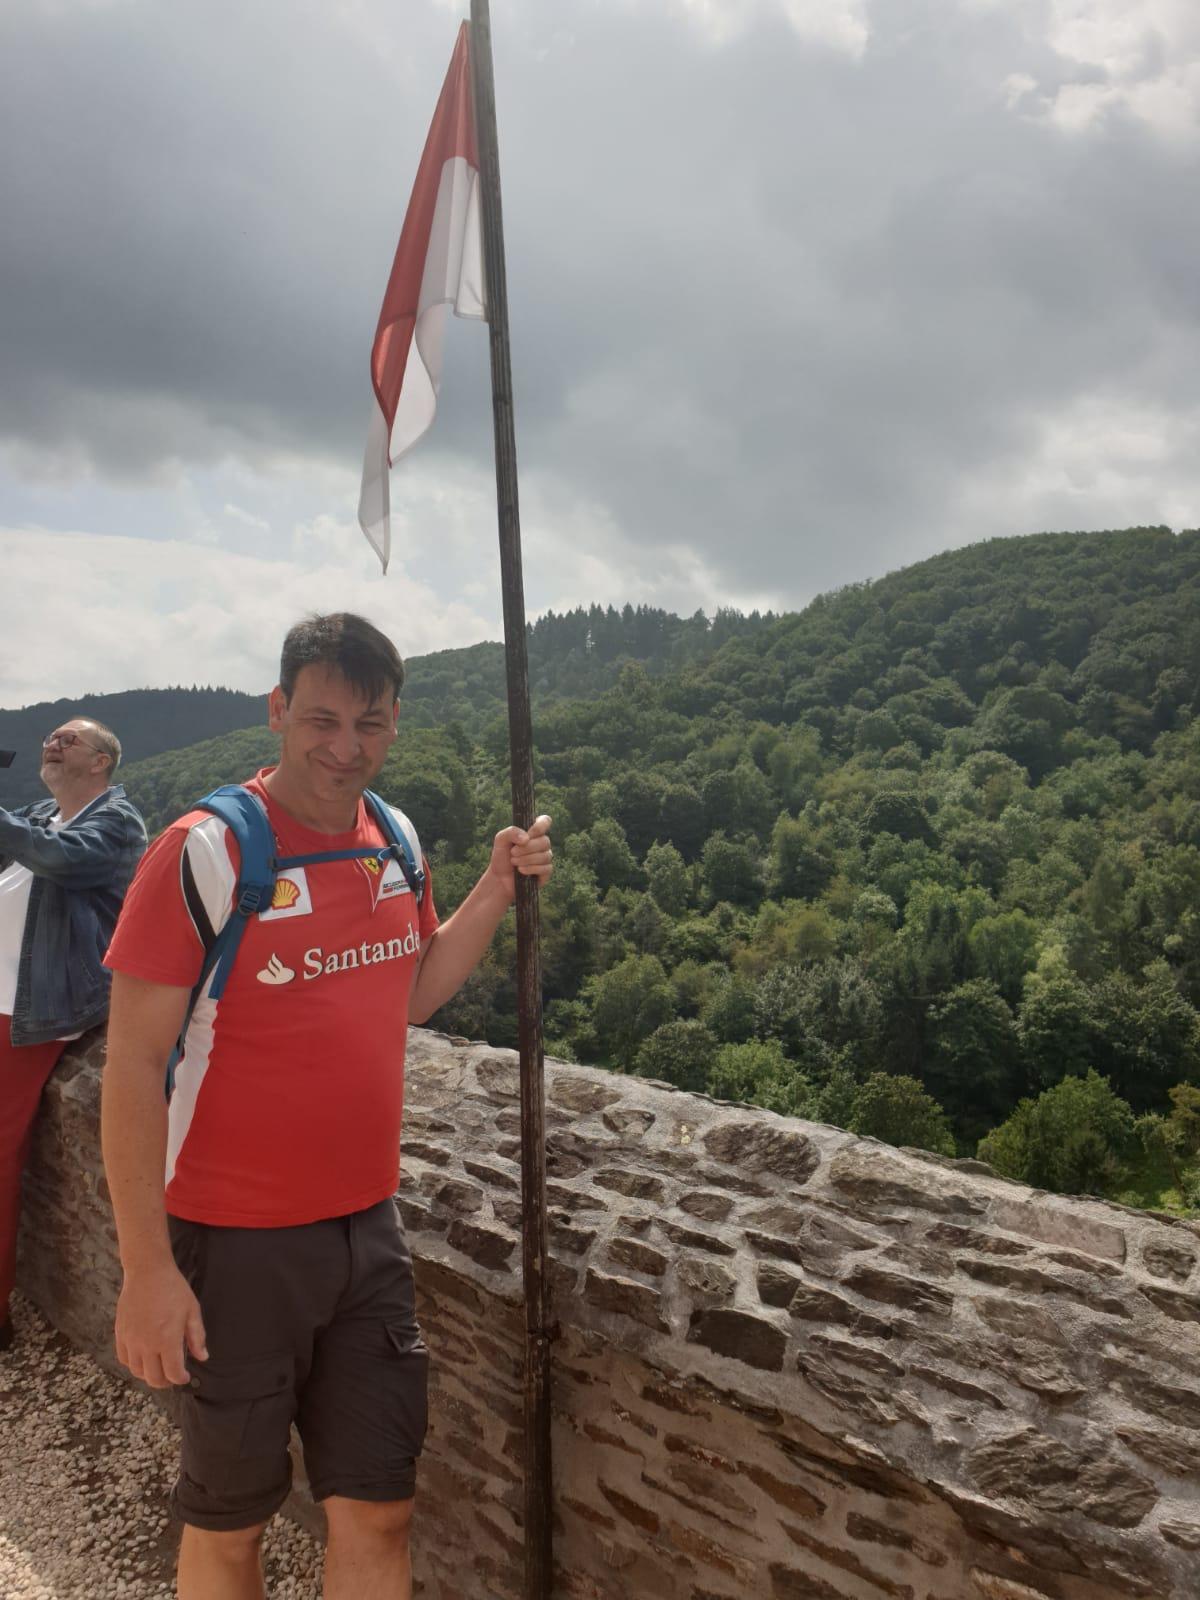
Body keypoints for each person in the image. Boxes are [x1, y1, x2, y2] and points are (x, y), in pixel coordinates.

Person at [101, 613, 552, 1600]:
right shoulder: (204, 854)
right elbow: (130, 1066)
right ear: (278, 710)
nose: (347, 747)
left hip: (367, 1231)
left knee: (381, 1508)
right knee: (230, 1520)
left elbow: (412, 991)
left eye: (370, 723)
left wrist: (493, 887)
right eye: (323, 719)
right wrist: (145, 1269)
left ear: (394, 724)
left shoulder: (395, 839)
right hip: (232, 1240)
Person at [0, 717, 146, 1351]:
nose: (52, 744)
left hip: (33, 1008)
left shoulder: (117, 822)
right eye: (50, 739)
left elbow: (62, 860)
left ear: (101, 762)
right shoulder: (39, 814)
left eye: (68, 740)